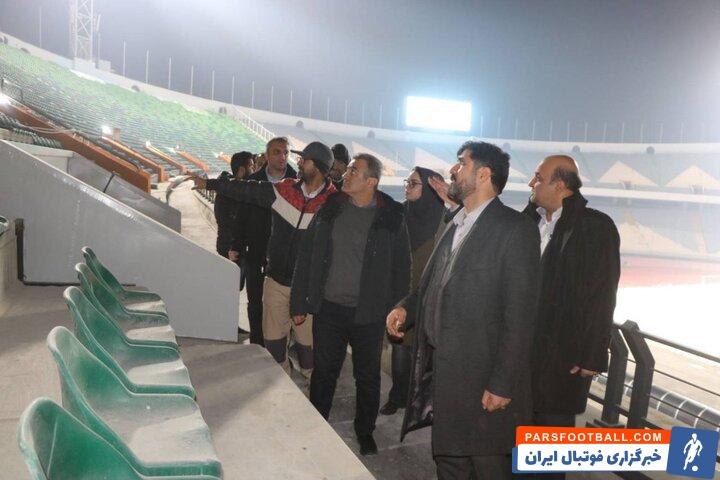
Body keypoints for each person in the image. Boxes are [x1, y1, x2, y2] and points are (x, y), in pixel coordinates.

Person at [386, 141, 540, 480]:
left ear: (483, 174)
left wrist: (502, 384)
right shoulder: (457, 222)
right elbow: (434, 285)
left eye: (461, 163)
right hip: (445, 376)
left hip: (483, 381)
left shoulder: (515, 229)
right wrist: (406, 309)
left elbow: (520, 317)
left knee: (487, 468)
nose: (453, 170)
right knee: (449, 463)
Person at [291, 153, 411, 455]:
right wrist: (299, 301)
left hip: (369, 314)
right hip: (329, 309)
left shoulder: (391, 217)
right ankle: (317, 424)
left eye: (354, 171)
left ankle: (365, 431)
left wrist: (397, 309)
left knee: (367, 376)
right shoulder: (331, 207)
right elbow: (307, 255)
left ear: (371, 181)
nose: (345, 174)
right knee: (324, 373)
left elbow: (401, 269)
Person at [189, 141, 336, 376]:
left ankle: (312, 391)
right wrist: (210, 184)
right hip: (275, 282)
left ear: (317, 167)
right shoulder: (284, 190)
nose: (298, 162)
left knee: (309, 355)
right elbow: (247, 189)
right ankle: (285, 387)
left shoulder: (334, 205)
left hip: (308, 292)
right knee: (274, 349)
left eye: (304, 159)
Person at [525, 155, 620, 480]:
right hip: (520, 356)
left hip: (561, 359)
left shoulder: (596, 227)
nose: (531, 183)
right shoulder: (527, 220)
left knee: (548, 451)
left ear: (560, 185)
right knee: (516, 446)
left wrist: (593, 353)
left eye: (538, 178)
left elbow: (603, 293)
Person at [380, 166, 445, 416]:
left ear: (429, 189)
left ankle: (420, 400)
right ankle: (398, 396)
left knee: (426, 355)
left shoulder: (443, 220)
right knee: (400, 349)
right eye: (407, 182)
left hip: (428, 295)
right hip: (402, 293)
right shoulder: (400, 214)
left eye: (413, 183)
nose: (407, 187)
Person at [243, 139, 296, 345]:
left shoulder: (298, 183)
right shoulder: (253, 181)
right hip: (256, 252)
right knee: (255, 301)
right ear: (267, 156)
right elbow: (242, 216)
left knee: (282, 306)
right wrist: (237, 245)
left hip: (285, 258)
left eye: (286, 152)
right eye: (277, 152)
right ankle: (257, 344)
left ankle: (280, 347)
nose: (282, 157)